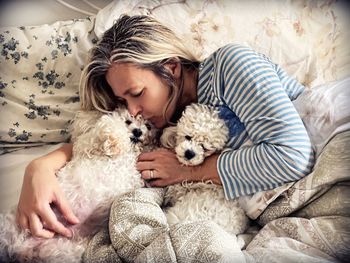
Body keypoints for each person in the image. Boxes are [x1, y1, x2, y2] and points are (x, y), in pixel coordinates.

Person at [16, 14, 314, 239]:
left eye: (136, 93)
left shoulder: (229, 66)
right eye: (123, 100)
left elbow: (292, 156)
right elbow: (97, 139)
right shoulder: (168, 119)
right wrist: (39, 167)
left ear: (170, 68)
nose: (133, 111)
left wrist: (189, 170)